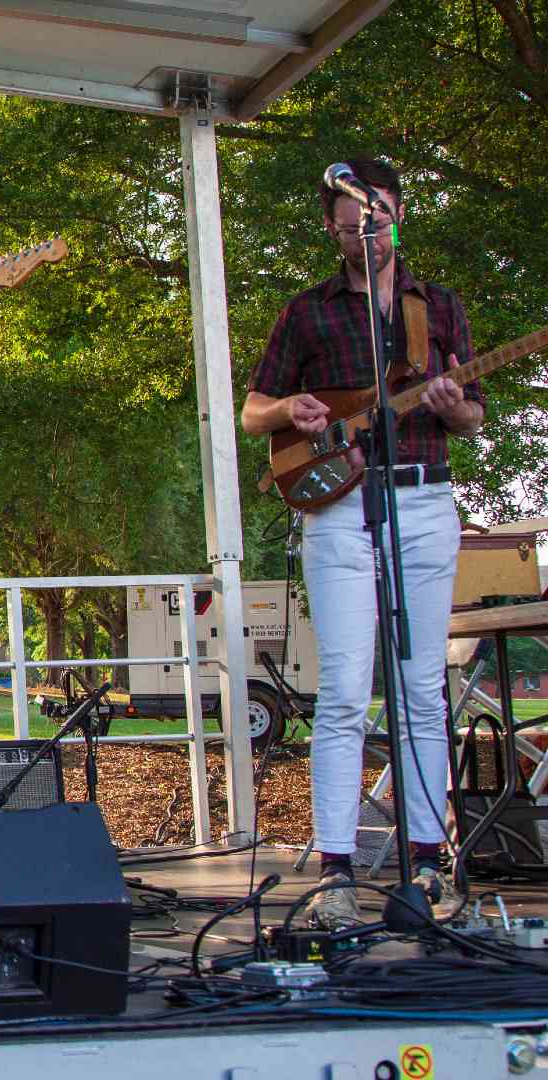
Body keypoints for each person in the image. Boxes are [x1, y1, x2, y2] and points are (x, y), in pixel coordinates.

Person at [240, 157, 481, 929]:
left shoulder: (437, 306)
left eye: (374, 223)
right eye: (349, 229)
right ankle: (337, 870)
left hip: (425, 500)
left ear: (397, 213)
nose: (364, 239)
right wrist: (291, 413)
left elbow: (473, 415)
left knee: (420, 690)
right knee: (344, 689)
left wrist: (451, 406)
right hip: (339, 508)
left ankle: (427, 861)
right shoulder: (306, 312)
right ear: (331, 229)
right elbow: (252, 411)